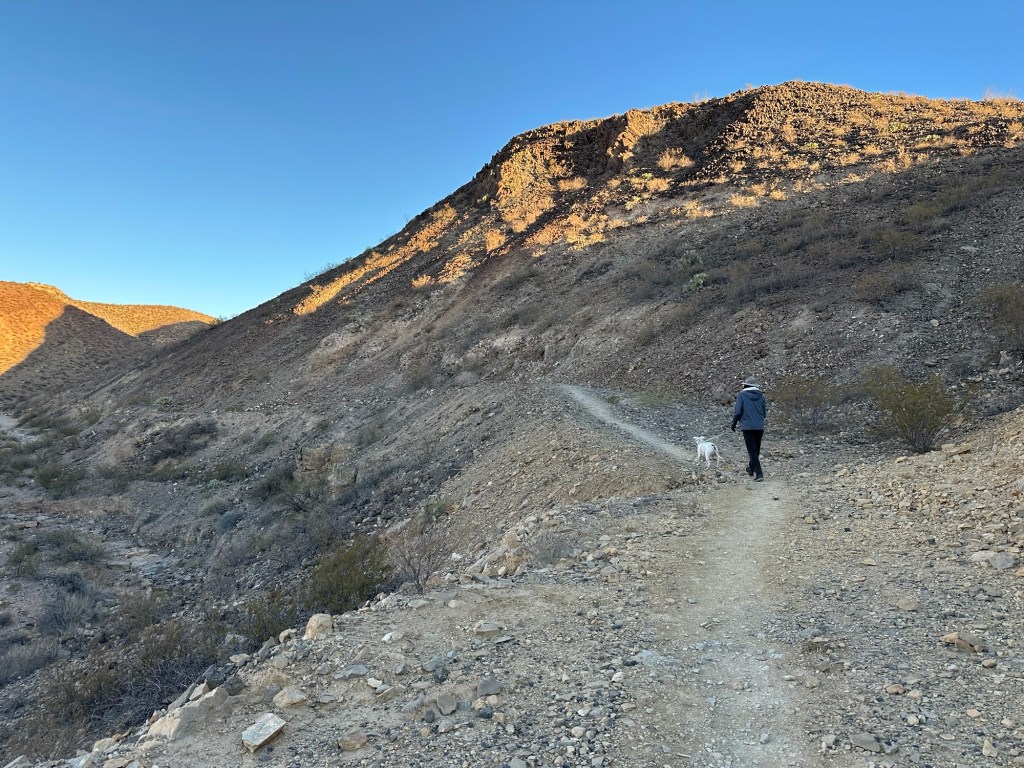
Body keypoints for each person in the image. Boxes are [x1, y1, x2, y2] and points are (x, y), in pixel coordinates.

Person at [731, 375, 767, 482]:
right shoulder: (762, 396)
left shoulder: (742, 395)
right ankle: (751, 469)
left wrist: (734, 424)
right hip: (759, 426)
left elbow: (738, 412)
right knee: (756, 449)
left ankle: (759, 473)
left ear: (745, 385)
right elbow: (764, 412)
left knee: (752, 450)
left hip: (747, 427)